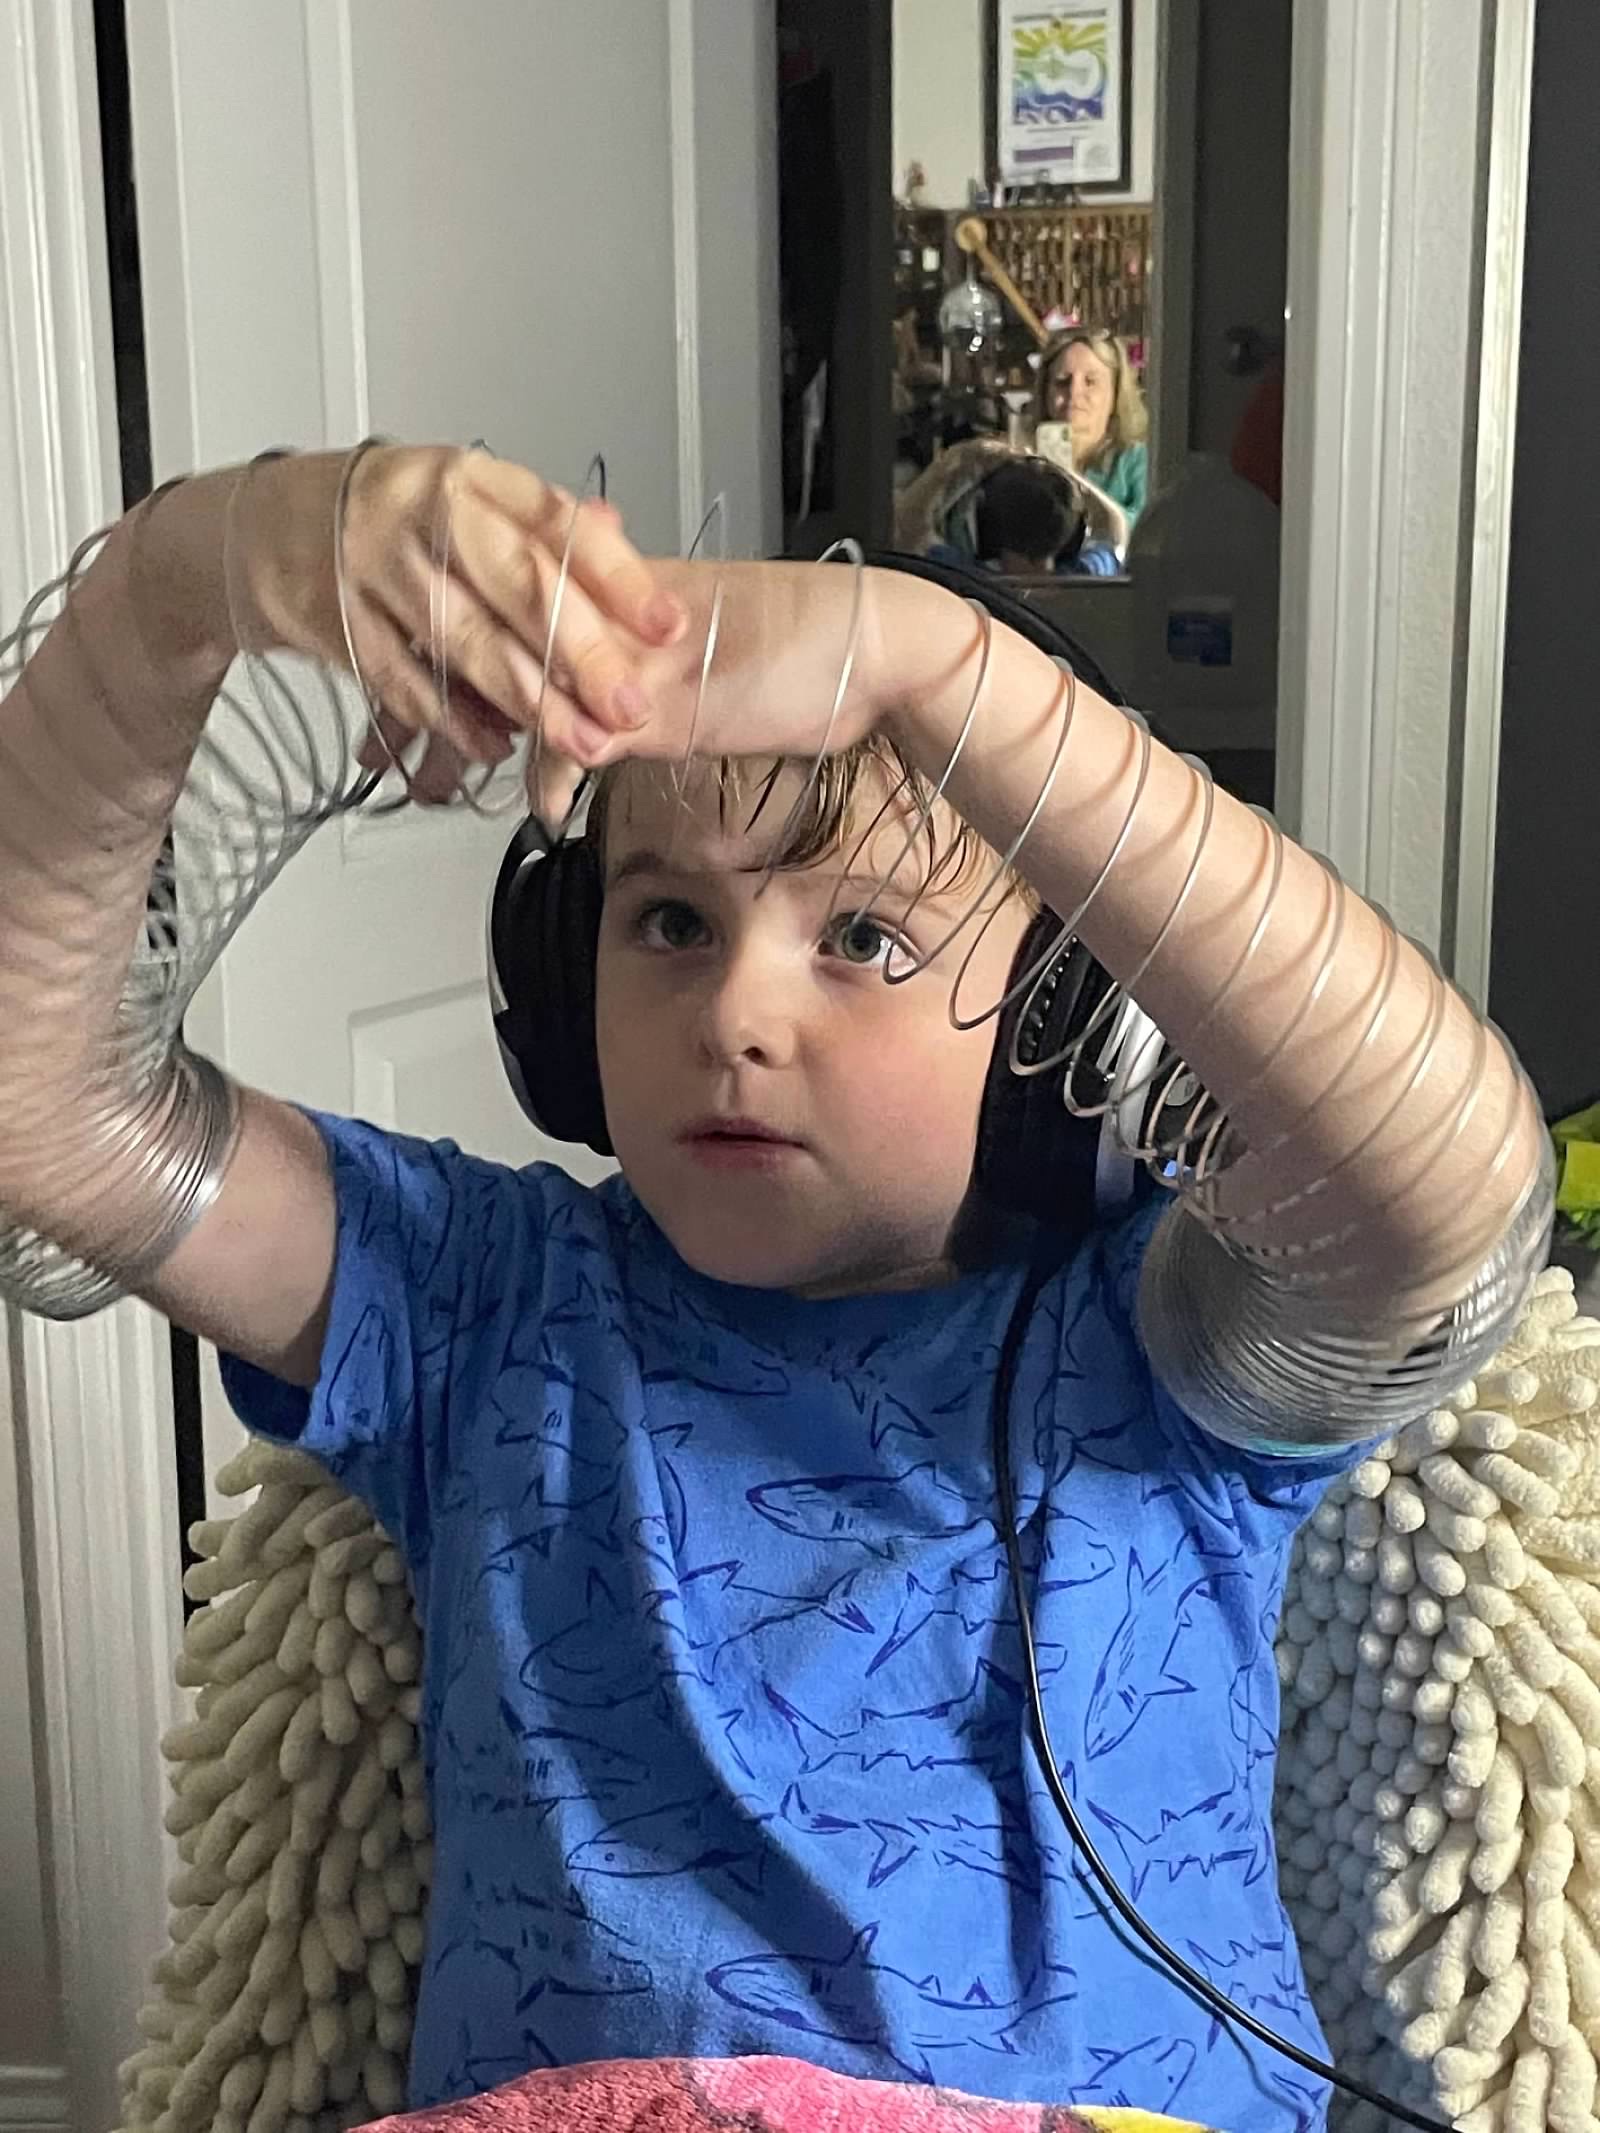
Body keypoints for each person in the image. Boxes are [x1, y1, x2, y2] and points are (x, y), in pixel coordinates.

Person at [0, 445, 1548, 2127]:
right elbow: (43, 1113)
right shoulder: (470, 1297)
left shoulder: (1167, 1344)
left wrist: (939, 672)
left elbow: (1451, 1208)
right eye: (670, 919)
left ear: (1071, 1032)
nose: (737, 1010)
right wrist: (191, 578)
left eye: (866, 938)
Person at [1033, 329, 1149, 528]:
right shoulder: (1025, 460)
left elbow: (1147, 526)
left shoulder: (1137, 460)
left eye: (1090, 382)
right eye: (1062, 381)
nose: (1074, 392)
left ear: (1115, 393)